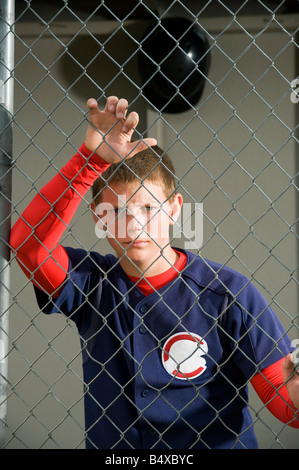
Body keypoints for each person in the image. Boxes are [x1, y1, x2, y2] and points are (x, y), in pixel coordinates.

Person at [10, 96, 299, 449]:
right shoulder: (91, 282)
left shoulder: (229, 293)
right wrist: (89, 161)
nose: (133, 225)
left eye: (148, 207)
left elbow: (287, 406)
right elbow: (28, 245)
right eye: (115, 211)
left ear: (175, 209)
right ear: (98, 217)